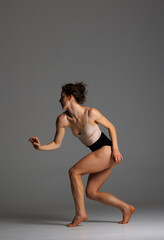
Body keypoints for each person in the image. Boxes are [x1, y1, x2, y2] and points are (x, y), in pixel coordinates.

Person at [28, 82, 135, 227]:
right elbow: (56, 143)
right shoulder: (62, 120)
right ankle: (126, 208)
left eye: (62, 97)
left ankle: (80, 213)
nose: (59, 100)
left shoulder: (91, 113)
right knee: (91, 192)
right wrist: (40, 147)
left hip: (107, 150)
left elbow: (111, 127)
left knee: (74, 172)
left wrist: (115, 149)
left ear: (70, 97)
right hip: (100, 154)